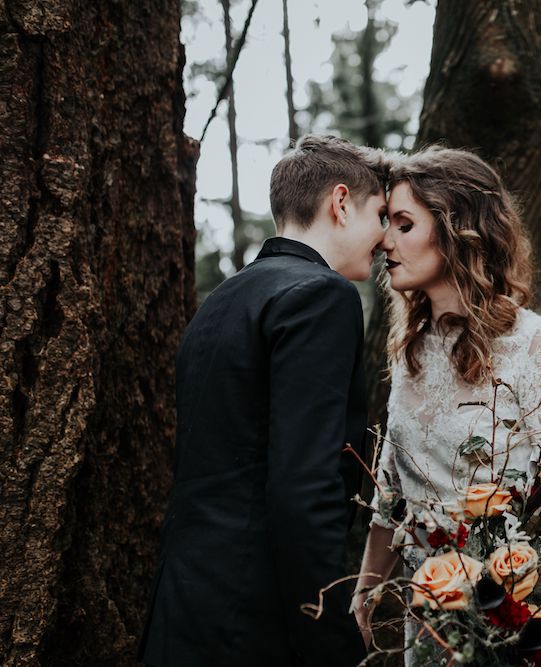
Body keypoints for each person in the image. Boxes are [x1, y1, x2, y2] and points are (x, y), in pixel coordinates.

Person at [139, 135, 387, 666]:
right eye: (381, 215)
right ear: (341, 204)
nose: (384, 237)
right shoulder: (323, 297)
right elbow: (305, 487)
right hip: (257, 622)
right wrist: (329, 634)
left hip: (181, 609)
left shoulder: (222, 301)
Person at [353, 147, 541, 666]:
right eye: (384, 223)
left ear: (456, 227)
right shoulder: (409, 351)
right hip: (435, 614)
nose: (385, 241)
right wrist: (367, 587)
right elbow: (390, 486)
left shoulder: (537, 344)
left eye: (403, 223)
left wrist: (515, 592)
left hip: (523, 619)